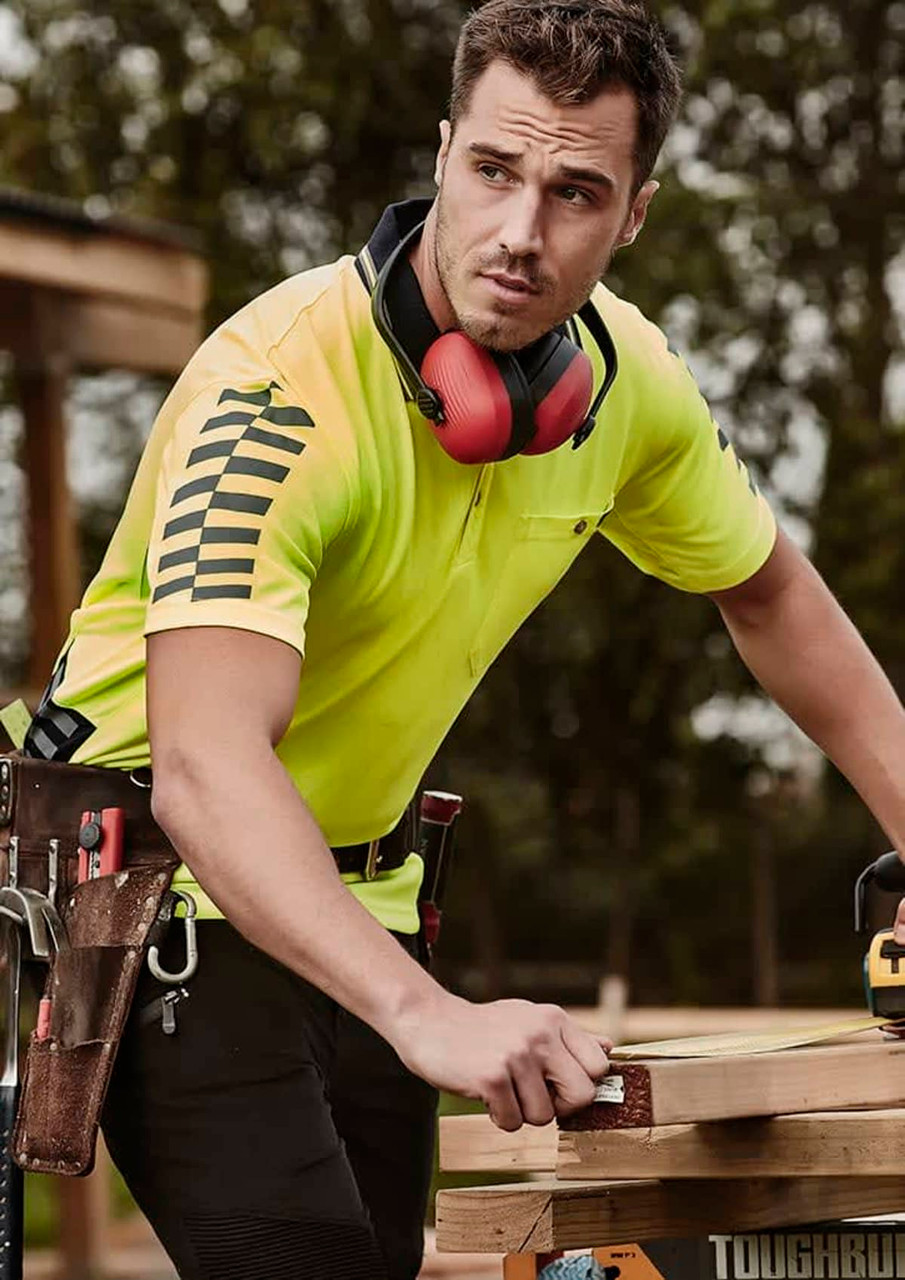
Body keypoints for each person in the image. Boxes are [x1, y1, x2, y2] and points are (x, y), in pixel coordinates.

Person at [21, 1, 905, 1277]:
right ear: (441, 152)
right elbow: (205, 765)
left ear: (634, 213)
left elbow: (769, 596)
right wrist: (422, 1015)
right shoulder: (274, 390)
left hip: (372, 894)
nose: (518, 232)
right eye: (492, 170)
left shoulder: (628, 389)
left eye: (574, 191)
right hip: (156, 877)